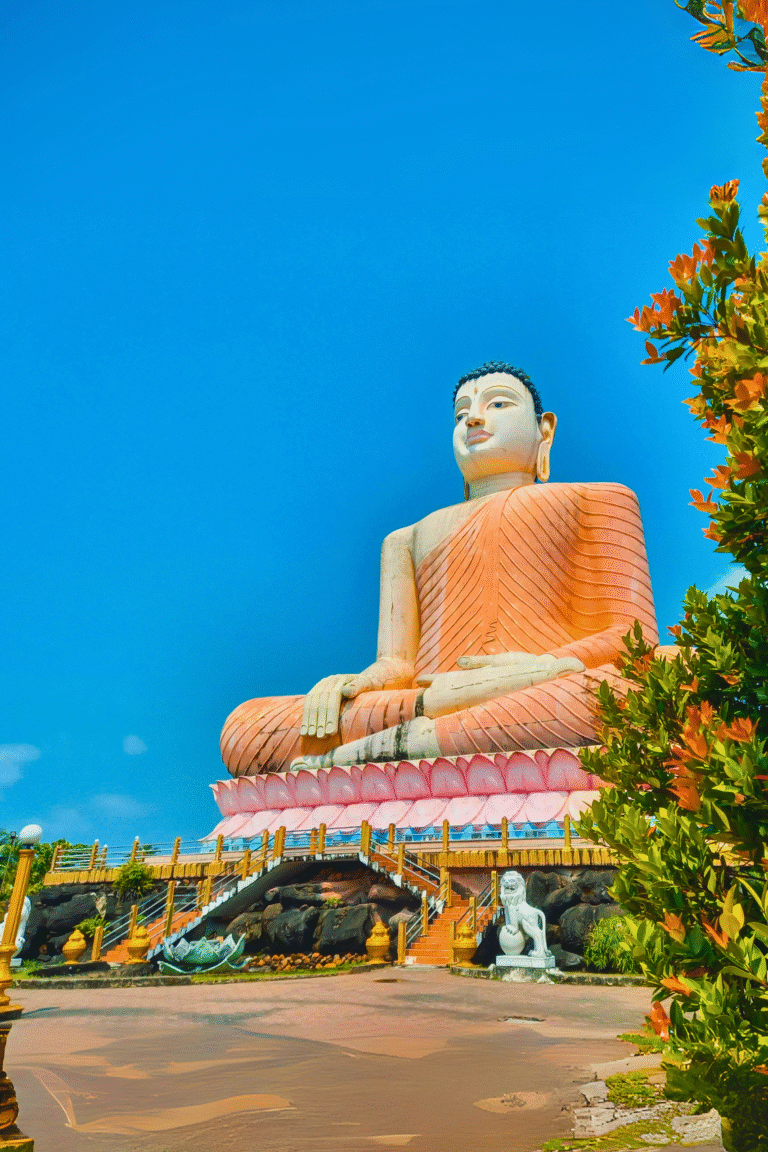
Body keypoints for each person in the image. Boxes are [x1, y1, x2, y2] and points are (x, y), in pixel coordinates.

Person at [221, 361, 657, 776]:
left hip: (545, 686)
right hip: (429, 701)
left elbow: (633, 637)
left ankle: (358, 758)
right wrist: (350, 685)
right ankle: (422, 734)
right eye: (461, 413)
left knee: (655, 679)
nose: (474, 419)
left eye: (499, 403)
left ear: (544, 430)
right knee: (245, 726)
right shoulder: (406, 539)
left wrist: (543, 666)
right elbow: (397, 664)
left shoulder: (600, 499)